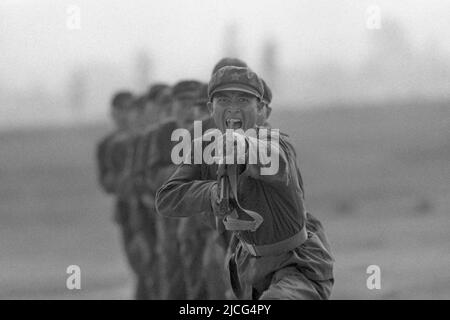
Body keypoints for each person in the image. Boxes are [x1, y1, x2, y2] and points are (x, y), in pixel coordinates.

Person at [155, 66, 334, 300]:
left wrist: (243, 147)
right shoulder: (203, 148)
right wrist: (211, 193)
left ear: (260, 108)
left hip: (298, 266)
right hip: (247, 268)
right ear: (211, 108)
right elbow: (167, 198)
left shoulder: (277, 144)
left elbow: (273, 160)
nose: (233, 107)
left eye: (243, 99)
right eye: (223, 99)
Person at [146, 80, 204, 299]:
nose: (189, 111)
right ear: (173, 106)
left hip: (204, 219)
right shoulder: (163, 133)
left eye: (194, 105)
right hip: (171, 218)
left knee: (204, 278)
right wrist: (184, 171)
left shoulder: (208, 131)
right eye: (182, 104)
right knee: (174, 276)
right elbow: (152, 175)